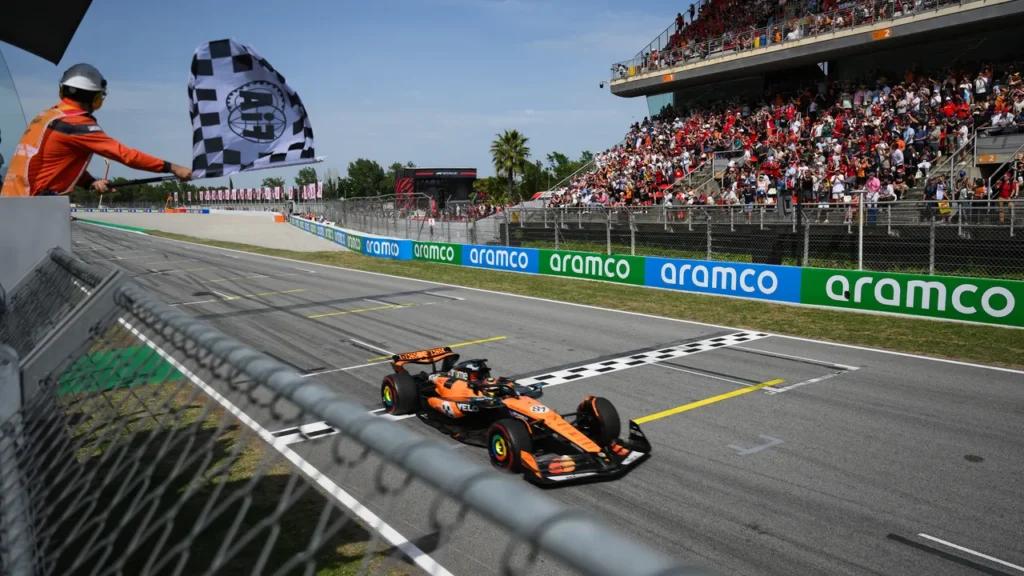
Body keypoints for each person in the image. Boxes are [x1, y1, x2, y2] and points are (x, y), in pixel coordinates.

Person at [0, 63, 192, 198]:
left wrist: (89, 182)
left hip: (13, 200)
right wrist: (174, 168)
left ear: (62, 91)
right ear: (96, 99)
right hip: (32, 206)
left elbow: (57, 163)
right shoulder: (76, 123)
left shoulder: (48, 117)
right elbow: (125, 155)